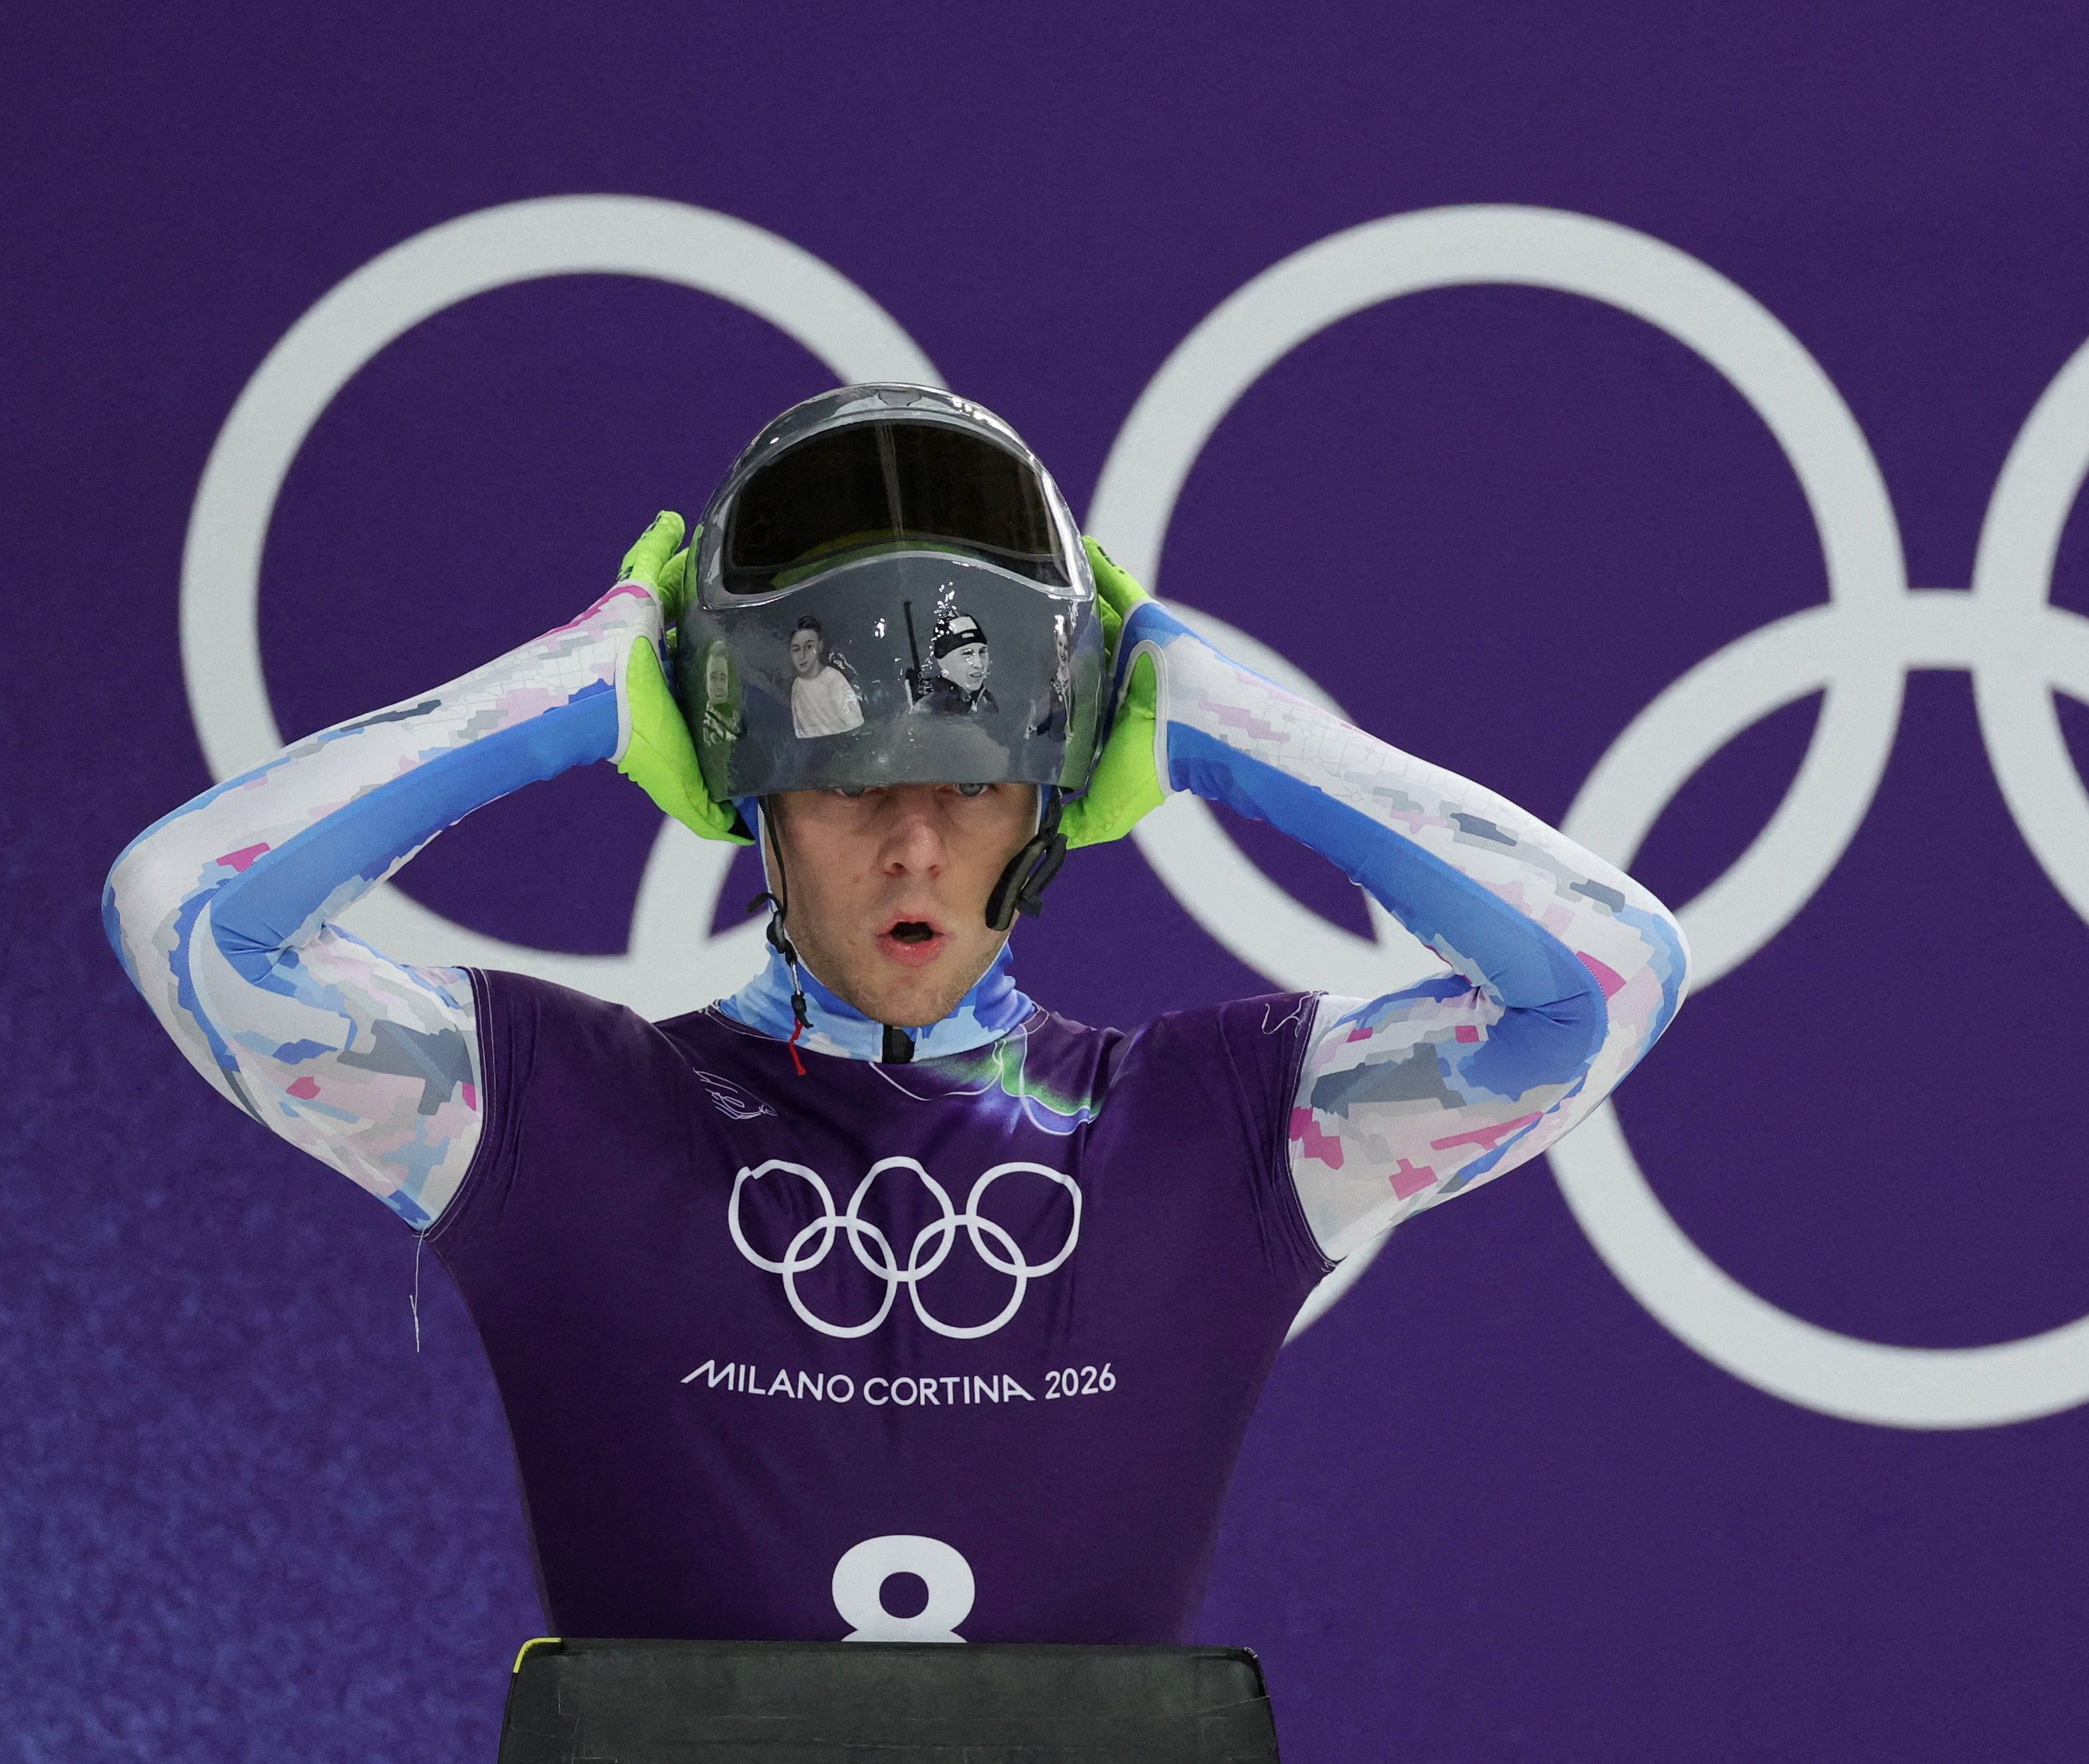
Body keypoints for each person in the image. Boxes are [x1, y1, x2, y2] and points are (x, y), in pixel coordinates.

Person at [104, 383, 1686, 1646]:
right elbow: (187, 914)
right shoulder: (556, 1116)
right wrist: (572, 689)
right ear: (747, 794)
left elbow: (1599, 977)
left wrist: (1217, 721)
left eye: (975, 784)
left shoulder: (1210, 1133)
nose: (917, 845)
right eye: (849, 781)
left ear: (1056, 797)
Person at [785, 617, 863, 738]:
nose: (802, 655)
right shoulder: (797, 685)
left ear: (819, 646)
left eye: (809, 647)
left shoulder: (833, 680)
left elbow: (854, 725)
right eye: (796, 649)